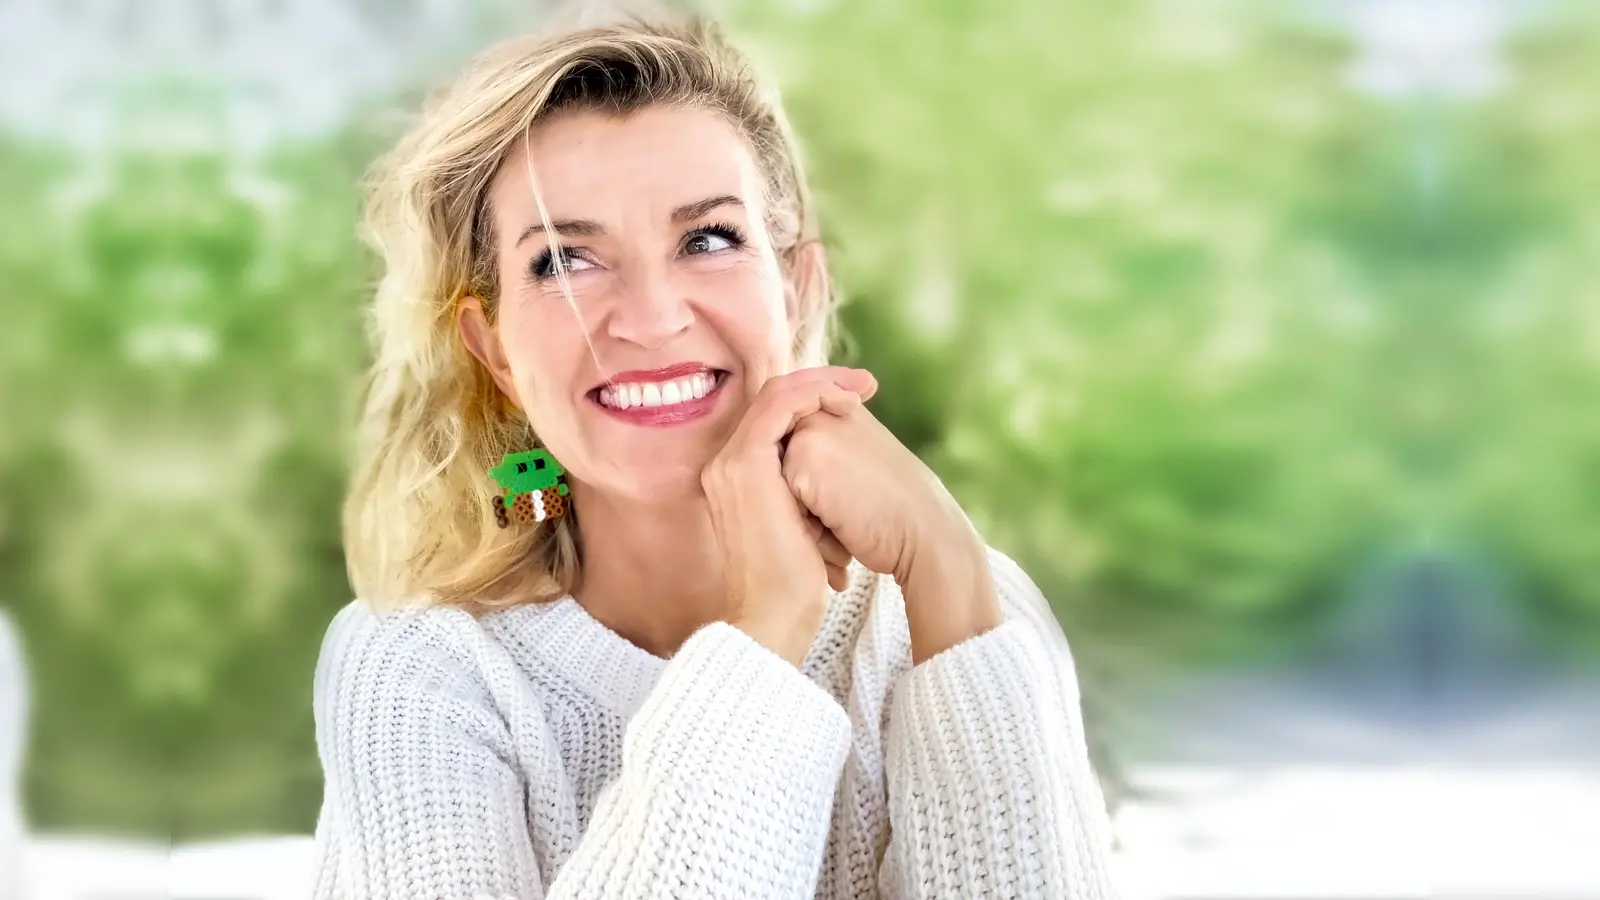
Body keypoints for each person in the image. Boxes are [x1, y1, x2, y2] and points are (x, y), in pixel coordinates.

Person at [312, 14, 1119, 900]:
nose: (652, 319)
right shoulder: (417, 666)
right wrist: (766, 629)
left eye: (707, 240)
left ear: (797, 290)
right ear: (494, 350)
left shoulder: (965, 601)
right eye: (566, 259)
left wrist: (951, 572)